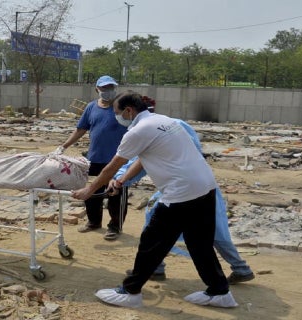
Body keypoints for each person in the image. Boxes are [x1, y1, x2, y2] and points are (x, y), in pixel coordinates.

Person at [71, 91, 238, 309]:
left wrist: (89, 190)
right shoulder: (163, 121)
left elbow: (110, 166)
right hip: (205, 187)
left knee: (151, 241)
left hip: (181, 193)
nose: (116, 117)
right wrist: (122, 180)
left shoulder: (138, 131)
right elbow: (143, 157)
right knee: (200, 244)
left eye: (117, 113)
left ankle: (131, 291)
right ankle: (219, 291)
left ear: (129, 111)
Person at [111, 116, 255, 285]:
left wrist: (120, 179)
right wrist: (121, 179)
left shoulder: (156, 131)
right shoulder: (171, 127)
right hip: (193, 186)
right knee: (205, 231)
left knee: (165, 230)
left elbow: (141, 162)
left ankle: (235, 271)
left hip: (185, 190)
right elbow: (144, 160)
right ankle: (157, 267)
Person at [53, 75, 129, 241]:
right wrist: (64, 146)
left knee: (115, 193)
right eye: (104, 88)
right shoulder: (91, 108)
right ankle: (94, 222)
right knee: (92, 192)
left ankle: (115, 226)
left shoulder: (123, 108)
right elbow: (81, 129)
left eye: (111, 88)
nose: (108, 91)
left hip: (117, 160)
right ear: (97, 89)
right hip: (94, 158)